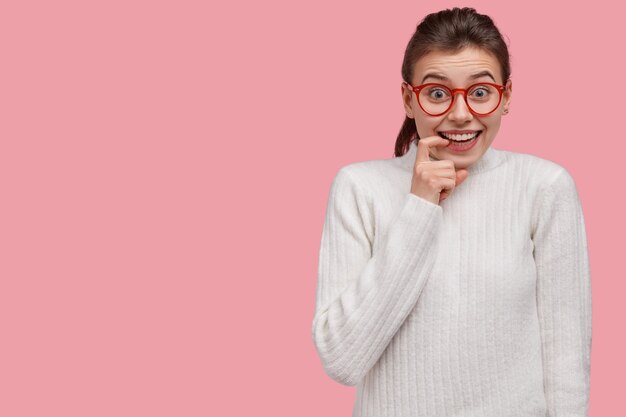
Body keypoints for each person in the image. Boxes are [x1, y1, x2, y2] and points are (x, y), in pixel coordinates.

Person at [311, 7, 592, 417]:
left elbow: (566, 357)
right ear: (410, 99)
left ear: (506, 97)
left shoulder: (543, 187)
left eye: (480, 92)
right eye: (438, 93)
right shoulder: (360, 188)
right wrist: (420, 207)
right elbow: (342, 360)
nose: (460, 115)